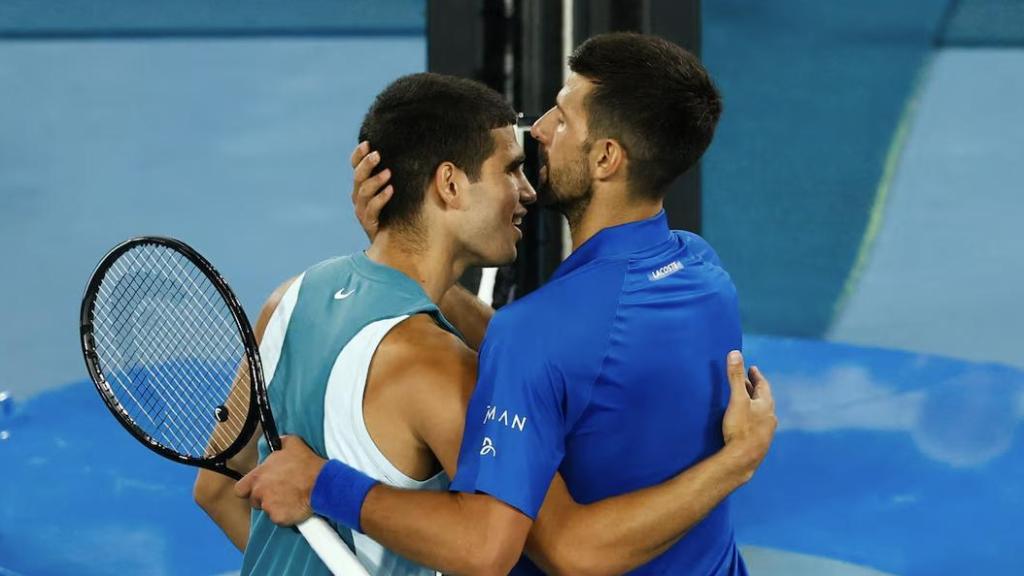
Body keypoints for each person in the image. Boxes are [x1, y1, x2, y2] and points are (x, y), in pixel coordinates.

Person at [236, 33, 775, 575]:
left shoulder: (532, 338)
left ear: (607, 158)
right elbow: (559, 360)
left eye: (562, 119)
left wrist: (323, 484)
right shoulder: (704, 274)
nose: (540, 129)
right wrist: (406, 251)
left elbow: (567, 552)